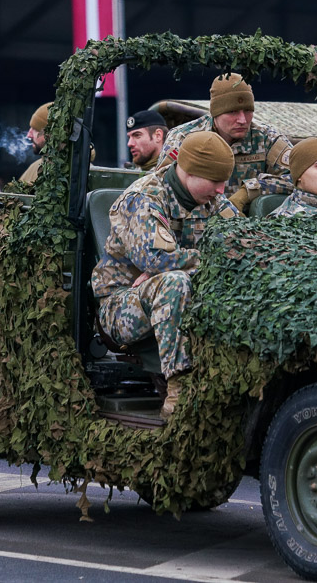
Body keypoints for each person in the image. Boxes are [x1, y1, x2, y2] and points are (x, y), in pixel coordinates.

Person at [92, 131, 241, 419]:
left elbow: (246, 246)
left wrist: (177, 264)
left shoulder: (213, 201)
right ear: (189, 172)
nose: (222, 190)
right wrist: (177, 266)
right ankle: (179, 388)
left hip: (176, 293)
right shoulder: (143, 198)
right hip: (121, 306)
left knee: (182, 278)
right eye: (215, 181)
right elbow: (157, 259)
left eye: (225, 181)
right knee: (174, 282)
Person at [156, 73, 294, 212]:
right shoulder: (183, 137)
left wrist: (250, 190)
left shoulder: (265, 137)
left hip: (247, 225)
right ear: (216, 112)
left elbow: (300, 178)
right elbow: (163, 184)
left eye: (247, 110)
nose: (242, 120)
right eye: (232, 112)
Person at [18, 102, 51, 185]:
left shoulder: (80, 169)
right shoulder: (34, 168)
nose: (29, 135)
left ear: (50, 135)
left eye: (35, 129)